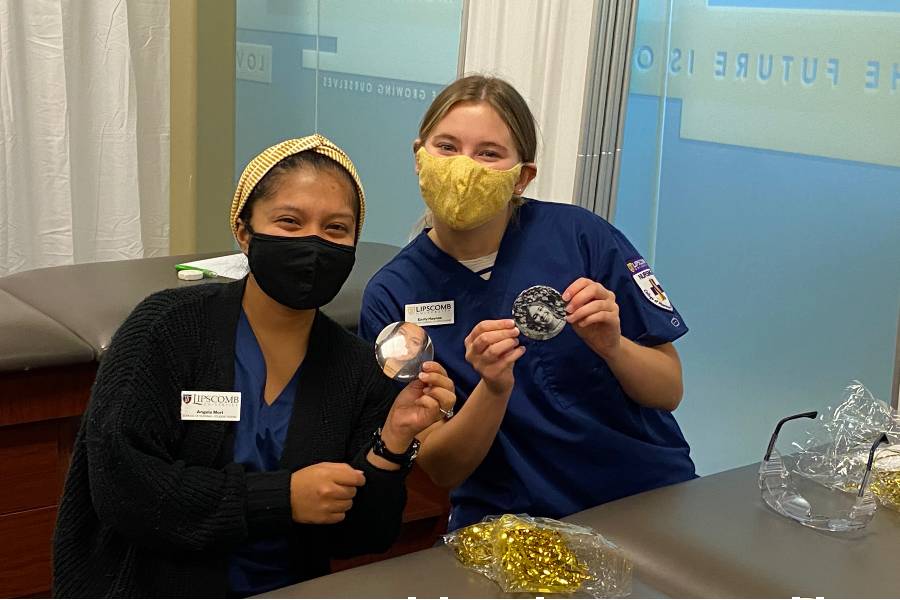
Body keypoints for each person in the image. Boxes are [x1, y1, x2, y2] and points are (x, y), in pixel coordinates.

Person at [52, 134, 457, 597]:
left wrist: (393, 444)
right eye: (289, 222)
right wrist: (278, 499)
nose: (313, 244)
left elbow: (363, 535)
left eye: (336, 229)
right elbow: (121, 487)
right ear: (244, 231)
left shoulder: (356, 369)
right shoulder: (167, 328)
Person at [359, 76, 696, 532]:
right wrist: (493, 389)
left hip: (644, 495)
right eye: (447, 146)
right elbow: (440, 468)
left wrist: (613, 346)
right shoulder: (394, 294)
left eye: (488, 153)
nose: (464, 168)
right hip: (512, 523)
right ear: (419, 157)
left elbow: (668, 390)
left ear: (522, 177)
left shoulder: (582, 238)